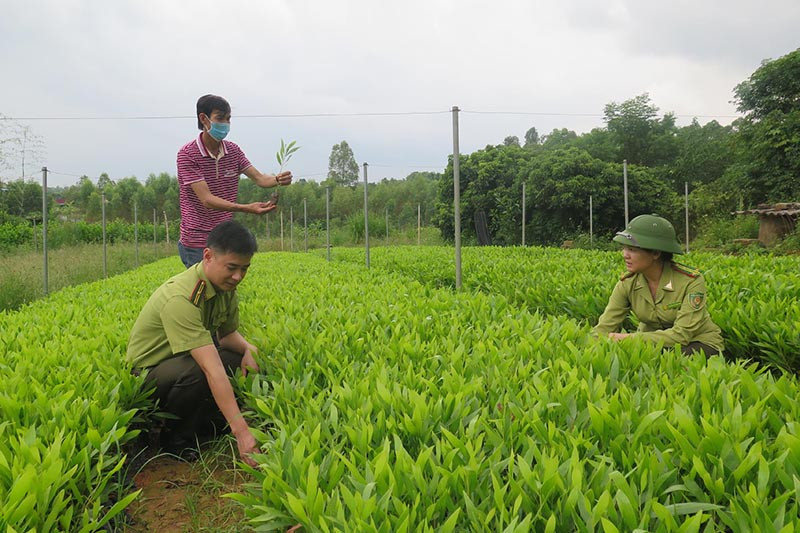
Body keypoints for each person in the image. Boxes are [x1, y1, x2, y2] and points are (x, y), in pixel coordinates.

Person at [127, 220, 261, 465]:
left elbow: (227, 336)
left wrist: (249, 349)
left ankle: (205, 421)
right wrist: (242, 432)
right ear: (208, 256)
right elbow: (211, 368)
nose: (238, 276)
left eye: (245, 268)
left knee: (233, 357)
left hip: (180, 362)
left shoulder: (224, 287)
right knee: (204, 369)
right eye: (232, 267)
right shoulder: (181, 297)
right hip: (147, 374)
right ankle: (175, 440)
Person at [176, 93, 292, 268]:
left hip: (224, 237)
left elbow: (260, 179)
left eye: (228, 119)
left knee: (226, 287)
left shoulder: (233, 151)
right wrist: (246, 208)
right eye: (220, 118)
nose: (225, 124)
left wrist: (277, 179)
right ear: (204, 119)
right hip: (197, 241)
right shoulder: (187, 154)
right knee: (204, 290)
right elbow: (207, 199)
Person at [593, 214, 724, 355]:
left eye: (632, 249)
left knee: (672, 360)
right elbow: (604, 327)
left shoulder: (690, 281)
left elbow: (681, 335)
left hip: (697, 342)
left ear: (655, 253)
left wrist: (629, 338)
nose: (625, 254)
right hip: (652, 344)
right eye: (624, 248)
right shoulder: (627, 283)